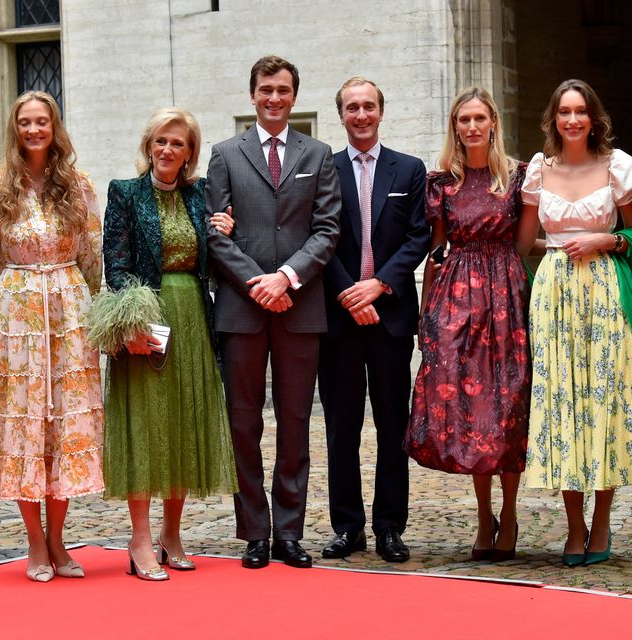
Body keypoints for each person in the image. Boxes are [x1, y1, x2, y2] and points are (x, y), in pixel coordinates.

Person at [0, 91, 103, 583]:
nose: (34, 130)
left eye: (42, 122)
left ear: (54, 127)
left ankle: (59, 540)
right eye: (25, 123)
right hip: (16, 313)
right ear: (15, 129)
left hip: (67, 312)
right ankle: (34, 542)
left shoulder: (77, 185)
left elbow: (91, 254)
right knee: (24, 424)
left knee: (64, 426)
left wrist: (85, 305)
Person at [206, 55, 341, 569]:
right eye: (266, 89)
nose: (274, 98)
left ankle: (289, 532)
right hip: (242, 309)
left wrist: (286, 277)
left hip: (300, 306)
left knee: (294, 422)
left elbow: (327, 229)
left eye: (283, 90)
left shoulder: (318, 153)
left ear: (294, 96)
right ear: (252, 95)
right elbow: (214, 234)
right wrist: (257, 282)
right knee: (244, 422)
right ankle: (254, 532)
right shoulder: (225, 154)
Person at [95, 107, 238, 581]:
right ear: (148, 145)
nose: (167, 150)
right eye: (160, 141)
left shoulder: (200, 196)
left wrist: (225, 232)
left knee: (182, 421)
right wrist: (132, 320)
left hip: (194, 317)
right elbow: (113, 264)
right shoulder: (125, 193)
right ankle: (139, 540)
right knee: (144, 424)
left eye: (178, 143)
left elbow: (214, 258)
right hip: (146, 317)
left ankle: (172, 534)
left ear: (191, 152)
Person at [519, 79, 632, 567]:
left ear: (593, 117)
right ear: (553, 119)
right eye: (564, 112)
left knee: (604, 404)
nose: (572, 120)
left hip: (604, 291)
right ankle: (573, 527)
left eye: (580, 111)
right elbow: (523, 244)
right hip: (554, 294)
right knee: (564, 406)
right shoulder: (538, 169)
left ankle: (600, 525)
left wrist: (603, 241)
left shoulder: (620, 166)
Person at [405, 87, 531, 562]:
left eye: (479, 118)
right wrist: (426, 315)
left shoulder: (517, 176)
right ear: (455, 127)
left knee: (509, 407)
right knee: (474, 410)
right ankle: (484, 515)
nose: (472, 127)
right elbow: (437, 250)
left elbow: (522, 246)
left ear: (493, 122)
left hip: (506, 295)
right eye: (463, 120)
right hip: (457, 297)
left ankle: (512, 512)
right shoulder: (443, 182)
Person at [319, 77, 429, 563]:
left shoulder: (409, 170)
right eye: (351, 108)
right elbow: (319, 236)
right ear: (341, 115)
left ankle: (389, 527)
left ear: (381, 112)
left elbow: (418, 236)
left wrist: (379, 285)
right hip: (340, 319)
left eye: (368, 106)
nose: (360, 115)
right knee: (341, 428)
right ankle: (348, 527)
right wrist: (350, 292)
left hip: (390, 317)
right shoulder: (325, 168)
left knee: (391, 425)